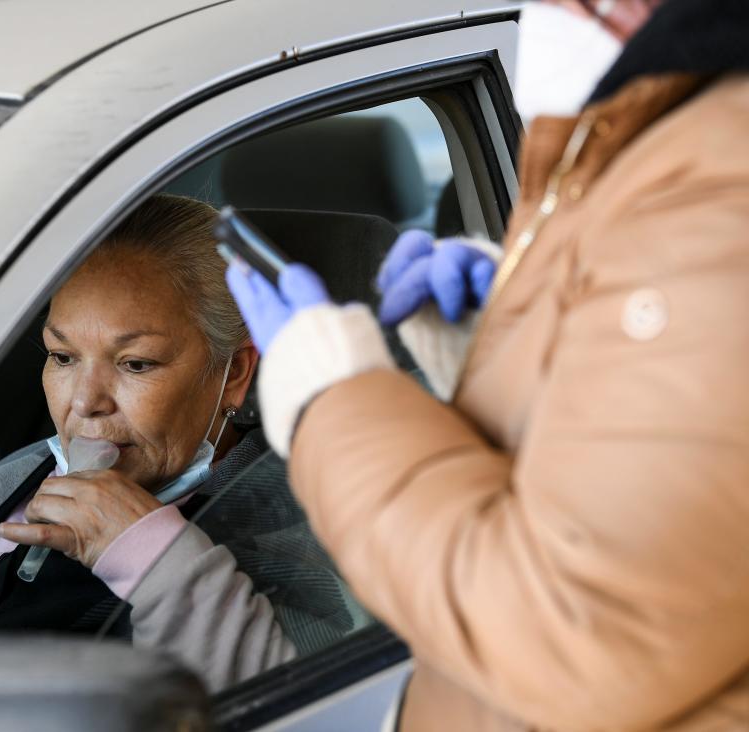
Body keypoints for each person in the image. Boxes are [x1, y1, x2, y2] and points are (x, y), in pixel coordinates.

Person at [227, 0, 749, 729]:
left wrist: (330, 402)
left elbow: (571, 636)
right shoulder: (669, 136)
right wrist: (503, 348)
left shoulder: (717, 180)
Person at [0, 194, 350, 693]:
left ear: (234, 373)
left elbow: (298, 699)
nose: (85, 403)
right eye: (63, 357)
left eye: (135, 364)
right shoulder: (16, 479)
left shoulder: (289, 523)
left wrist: (150, 554)